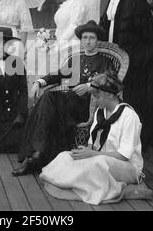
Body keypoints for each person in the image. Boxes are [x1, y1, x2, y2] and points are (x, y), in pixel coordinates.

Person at [12, 20, 114, 176]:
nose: (87, 41)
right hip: (68, 102)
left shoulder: (105, 62)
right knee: (47, 98)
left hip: (88, 105)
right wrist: (39, 82)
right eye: (85, 37)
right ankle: (37, 153)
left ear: (98, 40)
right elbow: (58, 75)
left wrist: (89, 87)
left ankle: (35, 155)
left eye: (91, 38)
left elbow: (110, 83)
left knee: (47, 99)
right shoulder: (76, 59)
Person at [39, 72, 145, 205]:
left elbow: (124, 156)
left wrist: (92, 154)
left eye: (97, 96)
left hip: (128, 167)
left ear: (110, 95)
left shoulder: (129, 116)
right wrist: (85, 152)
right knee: (65, 156)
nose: (94, 100)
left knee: (97, 163)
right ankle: (63, 180)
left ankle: (73, 182)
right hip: (101, 158)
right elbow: (92, 145)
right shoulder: (100, 113)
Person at [99, 0, 153, 148]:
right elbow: (104, 28)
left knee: (129, 102)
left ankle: (130, 147)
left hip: (130, 63)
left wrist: (132, 62)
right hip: (112, 61)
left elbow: (145, 36)